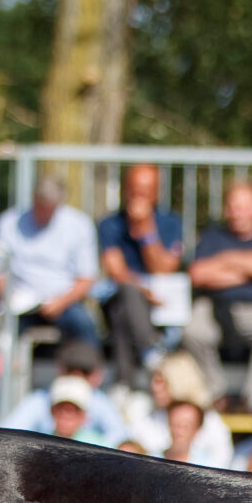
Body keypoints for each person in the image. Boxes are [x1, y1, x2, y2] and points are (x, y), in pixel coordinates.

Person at [179, 180, 252, 397]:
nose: (238, 213)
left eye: (245, 206)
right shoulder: (212, 236)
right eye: (233, 206)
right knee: (192, 330)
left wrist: (225, 261)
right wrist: (251, 270)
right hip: (214, 307)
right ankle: (215, 392)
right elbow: (197, 274)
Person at [97, 163, 187, 394]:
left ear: (156, 193)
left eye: (145, 191)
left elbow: (163, 269)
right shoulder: (109, 224)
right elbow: (116, 272)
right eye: (134, 189)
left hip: (160, 303)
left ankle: (123, 384)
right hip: (126, 295)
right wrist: (143, 289)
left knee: (123, 317)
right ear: (125, 190)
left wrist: (146, 232)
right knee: (127, 295)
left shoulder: (171, 223)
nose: (139, 196)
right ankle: (151, 354)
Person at [0, 171, 99, 352]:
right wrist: (7, 295)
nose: (43, 214)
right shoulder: (9, 222)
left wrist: (61, 302)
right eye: (40, 207)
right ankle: (1, 376)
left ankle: (87, 374)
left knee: (84, 325)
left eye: (49, 209)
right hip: (19, 302)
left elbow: (86, 278)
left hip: (64, 301)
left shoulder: (78, 224)